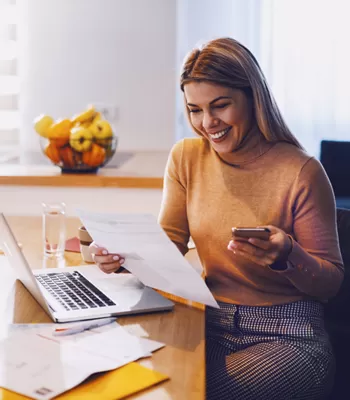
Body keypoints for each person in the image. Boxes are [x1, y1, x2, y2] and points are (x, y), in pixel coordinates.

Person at [90, 37, 344, 400]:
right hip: (208, 321)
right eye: (195, 110)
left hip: (290, 337)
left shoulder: (301, 171)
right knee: (122, 374)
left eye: (220, 106)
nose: (207, 123)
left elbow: (331, 283)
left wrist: (287, 256)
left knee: (176, 391)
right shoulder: (186, 158)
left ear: (252, 96)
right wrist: (121, 259)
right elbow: (167, 246)